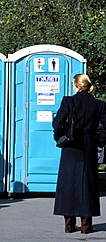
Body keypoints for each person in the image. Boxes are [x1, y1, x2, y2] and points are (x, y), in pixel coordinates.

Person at [52, 74, 106, 234]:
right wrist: (99, 141)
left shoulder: (68, 101)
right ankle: (86, 225)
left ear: (76, 86)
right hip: (88, 145)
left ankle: (69, 225)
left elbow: (57, 123)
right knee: (87, 184)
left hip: (71, 145)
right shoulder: (99, 104)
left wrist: (61, 136)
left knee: (67, 183)